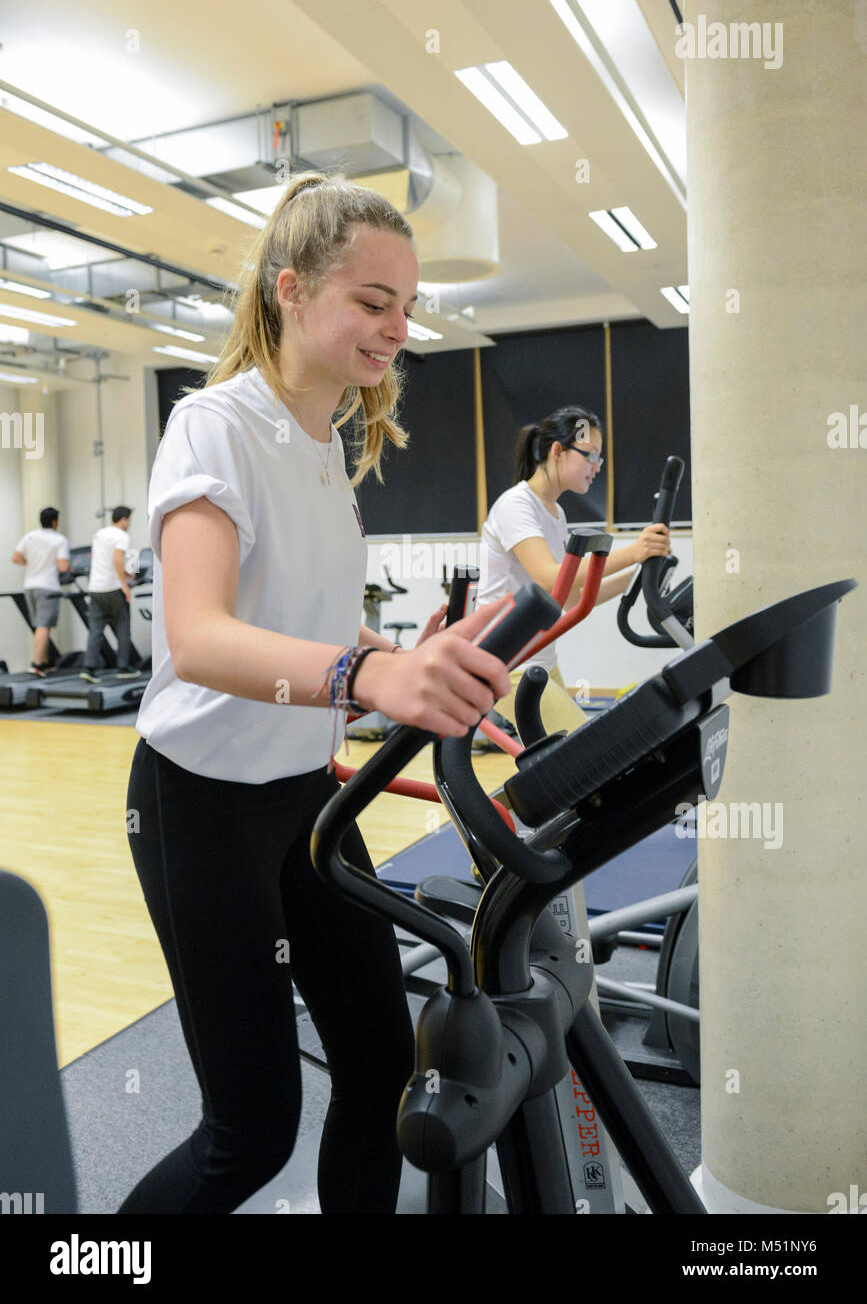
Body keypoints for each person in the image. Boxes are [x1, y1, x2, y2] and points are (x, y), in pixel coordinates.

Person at [117, 171, 511, 1215]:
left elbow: (303, 622)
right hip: (196, 801)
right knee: (249, 1132)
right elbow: (198, 637)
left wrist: (404, 654)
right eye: (372, 303)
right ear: (291, 290)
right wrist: (367, 673)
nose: (397, 328)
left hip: (301, 801)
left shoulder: (328, 439)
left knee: (385, 1074)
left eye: (408, 307)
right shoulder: (215, 425)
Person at [476, 408, 672, 737]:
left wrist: (637, 574)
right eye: (591, 455)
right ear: (558, 450)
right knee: (582, 748)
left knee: (558, 758)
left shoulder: (555, 513)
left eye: (600, 458)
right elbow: (552, 578)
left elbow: (572, 598)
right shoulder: (516, 505)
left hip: (541, 658)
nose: (597, 467)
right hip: (505, 659)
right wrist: (634, 552)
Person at [80, 506, 140, 683]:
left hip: (96, 587)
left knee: (96, 630)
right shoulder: (122, 536)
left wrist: (125, 574)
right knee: (122, 625)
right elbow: (117, 559)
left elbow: (105, 560)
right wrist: (124, 585)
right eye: (128, 520)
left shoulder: (100, 534)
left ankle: (89, 668)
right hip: (112, 587)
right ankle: (123, 666)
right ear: (123, 520)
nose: (129, 524)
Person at [11, 507, 71, 675]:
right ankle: (37, 663)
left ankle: (44, 661)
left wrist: (32, 564)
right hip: (48, 586)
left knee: (39, 626)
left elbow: (16, 557)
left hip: (30, 585)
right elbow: (63, 566)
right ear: (55, 522)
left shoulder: (29, 536)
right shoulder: (59, 539)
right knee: (44, 626)